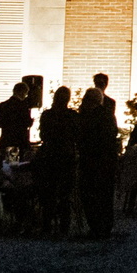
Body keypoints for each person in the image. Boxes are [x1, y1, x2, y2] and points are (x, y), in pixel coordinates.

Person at [78, 74, 120, 238]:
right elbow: (113, 134)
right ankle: (105, 226)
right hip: (106, 160)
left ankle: (96, 226)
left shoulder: (84, 116)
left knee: (91, 194)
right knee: (105, 194)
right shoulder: (108, 114)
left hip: (91, 160)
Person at [34, 85, 78, 236]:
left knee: (49, 192)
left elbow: (43, 136)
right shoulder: (72, 115)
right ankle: (64, 226)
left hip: (50, 155)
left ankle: (47, 225)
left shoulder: (47, 115)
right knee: (65, 193)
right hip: (67, 156)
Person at [0, 81, 35, 155]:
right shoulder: (23, 107)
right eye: (26, 93)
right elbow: (27, 123)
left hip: (6, 140)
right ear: (22, 93)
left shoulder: (2, 105)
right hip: (20, 141)